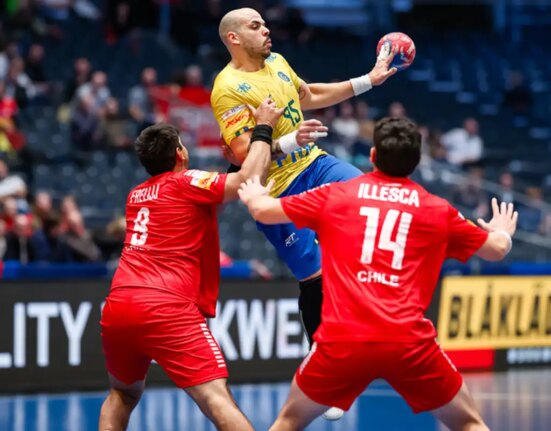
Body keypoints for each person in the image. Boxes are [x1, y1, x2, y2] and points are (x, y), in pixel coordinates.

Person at [238, 117, 518, 431]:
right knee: (469, 423)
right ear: (416, 162)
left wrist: (252, 192)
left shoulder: (338, 194)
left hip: (343, 341)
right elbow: (496, 250)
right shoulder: (437, 210)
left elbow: (264, 210)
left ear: (372, 155)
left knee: (288, 422)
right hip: (408, 341)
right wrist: (502, 232)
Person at [211, 11, 396, 419]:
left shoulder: (277, 62)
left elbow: (308, 94)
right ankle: (323, 368)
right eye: (256, 26)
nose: (267, 30)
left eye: (265, 23)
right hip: (273, 188)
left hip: (315, 165)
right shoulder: (227, 89)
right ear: (234, 37)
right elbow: (245, 157)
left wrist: (369, 79)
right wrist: (290, 140)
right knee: (312, 275)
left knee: (369, 195)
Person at [98, 98, 284, 431]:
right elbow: (248, 182)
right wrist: (264, 128)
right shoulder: (186, 182)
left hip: (118, 304)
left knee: (122, 394)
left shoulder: (136, 195)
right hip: (165, 305)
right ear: (181, 154)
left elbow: (197, 211)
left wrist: (232, 169)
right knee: (216, 397)